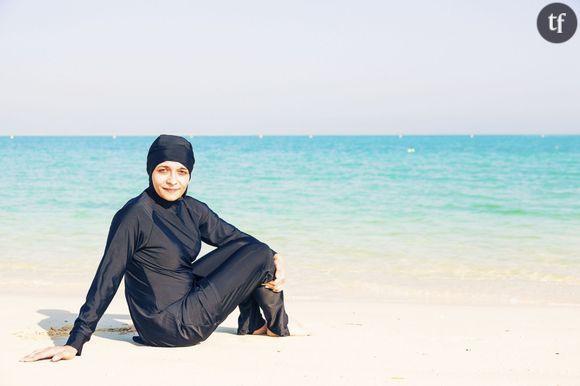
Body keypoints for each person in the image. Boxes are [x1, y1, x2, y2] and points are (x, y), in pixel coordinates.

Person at [21, 134, 289, 362]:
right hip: (172, 327)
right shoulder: (134, 215)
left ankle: (253, 324)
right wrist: (75, 342)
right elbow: (108, 276)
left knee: (255, 251)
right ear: (151, 171)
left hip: (183, 306)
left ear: (190, 176)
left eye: (181, 172)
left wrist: (278, 260)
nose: (172, 180)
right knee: (261, 254)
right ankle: (277, 326)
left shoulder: (193, 209)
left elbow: (237, 240)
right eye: (163, 170)